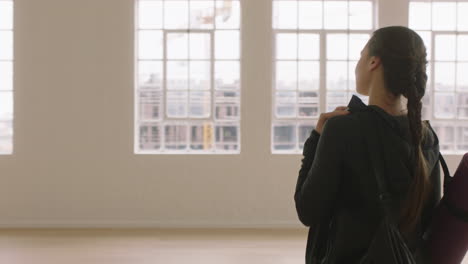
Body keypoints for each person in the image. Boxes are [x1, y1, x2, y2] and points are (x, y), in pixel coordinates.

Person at [294, 26, 441, 263]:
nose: (357, 65)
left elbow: (307, 211)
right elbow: (430, 224)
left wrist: (315, 140)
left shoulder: (342, 129)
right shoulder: (426, 135)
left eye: (361, 56)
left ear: (374, 62)